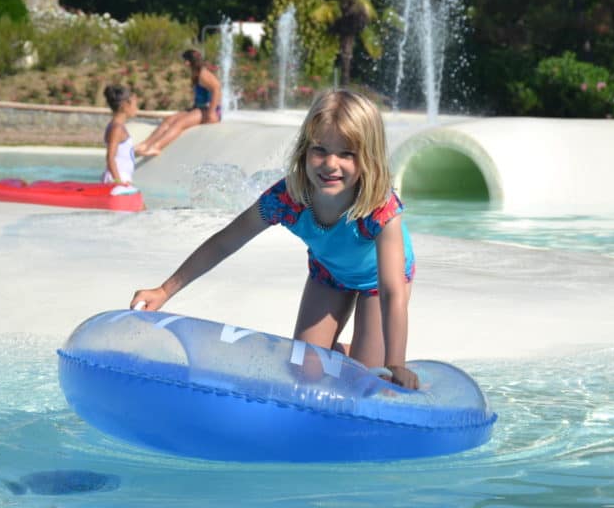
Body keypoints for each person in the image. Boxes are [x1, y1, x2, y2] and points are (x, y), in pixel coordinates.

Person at [130, 89, 418, 389]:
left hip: (378, 283)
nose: (331, 164)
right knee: (305, 373)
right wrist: (164, 290)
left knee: (366, 382)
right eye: (320, 150)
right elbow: (226, 241)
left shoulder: (379, 207)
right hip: (329, 273)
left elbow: (392, 293)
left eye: (347, 153)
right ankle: (348, 355)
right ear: (304, 150)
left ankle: (361, 359)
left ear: (368, 158)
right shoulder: (288, 198)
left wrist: (395, 364)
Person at [134, 49, 222, 156]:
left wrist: (211, 113)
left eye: (185, 60)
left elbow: (216, 88)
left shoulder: (203, 74)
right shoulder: (196, 72)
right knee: (169, 120)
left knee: (179, 124)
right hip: (199, 108)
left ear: (188, 62)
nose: (184, 63)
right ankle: (146, 144)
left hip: (208, 110)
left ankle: (156, 147)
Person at [102, 84, 138, 184]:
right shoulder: (116, 128)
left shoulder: (119, 127)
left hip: (122, 178)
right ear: (125, 105)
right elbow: (110, 158)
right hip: (116, 179)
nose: (136, 108)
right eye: (135, 105)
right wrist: (118, 182)